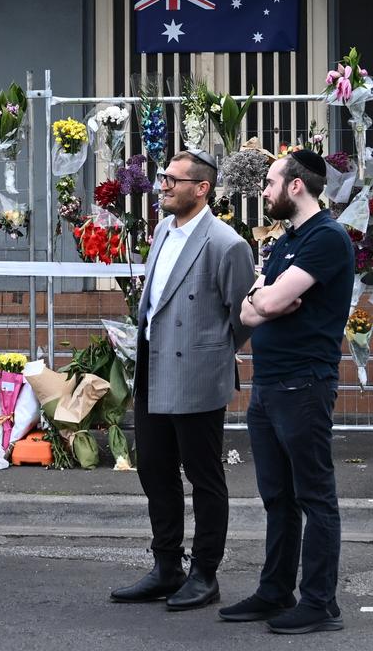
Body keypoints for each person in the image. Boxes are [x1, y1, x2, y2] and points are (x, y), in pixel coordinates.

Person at [110, 149, 255, 611]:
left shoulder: (226, 243)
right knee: (154, 470)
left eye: (173, 179)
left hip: (197, 373)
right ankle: (166, 566)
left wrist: (208, 352)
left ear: (202, 188)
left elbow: (243, 315)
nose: (163, 185)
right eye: (162, 178)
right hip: (153, 368)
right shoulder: (160, 231)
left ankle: (205, 573)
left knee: (204, 475)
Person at [221, 149, 353, 634]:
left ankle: (319, 603)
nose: (265, 190)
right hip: (268, 385)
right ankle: (276, 591)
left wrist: (265, 301)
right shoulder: (286, 241)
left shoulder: (327, 239)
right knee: (277, 497)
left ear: (296, 185)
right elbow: (251, 309)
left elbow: (268, 299)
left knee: (315, 496)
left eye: (271, 182)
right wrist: (264, 302)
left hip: (304, 385)